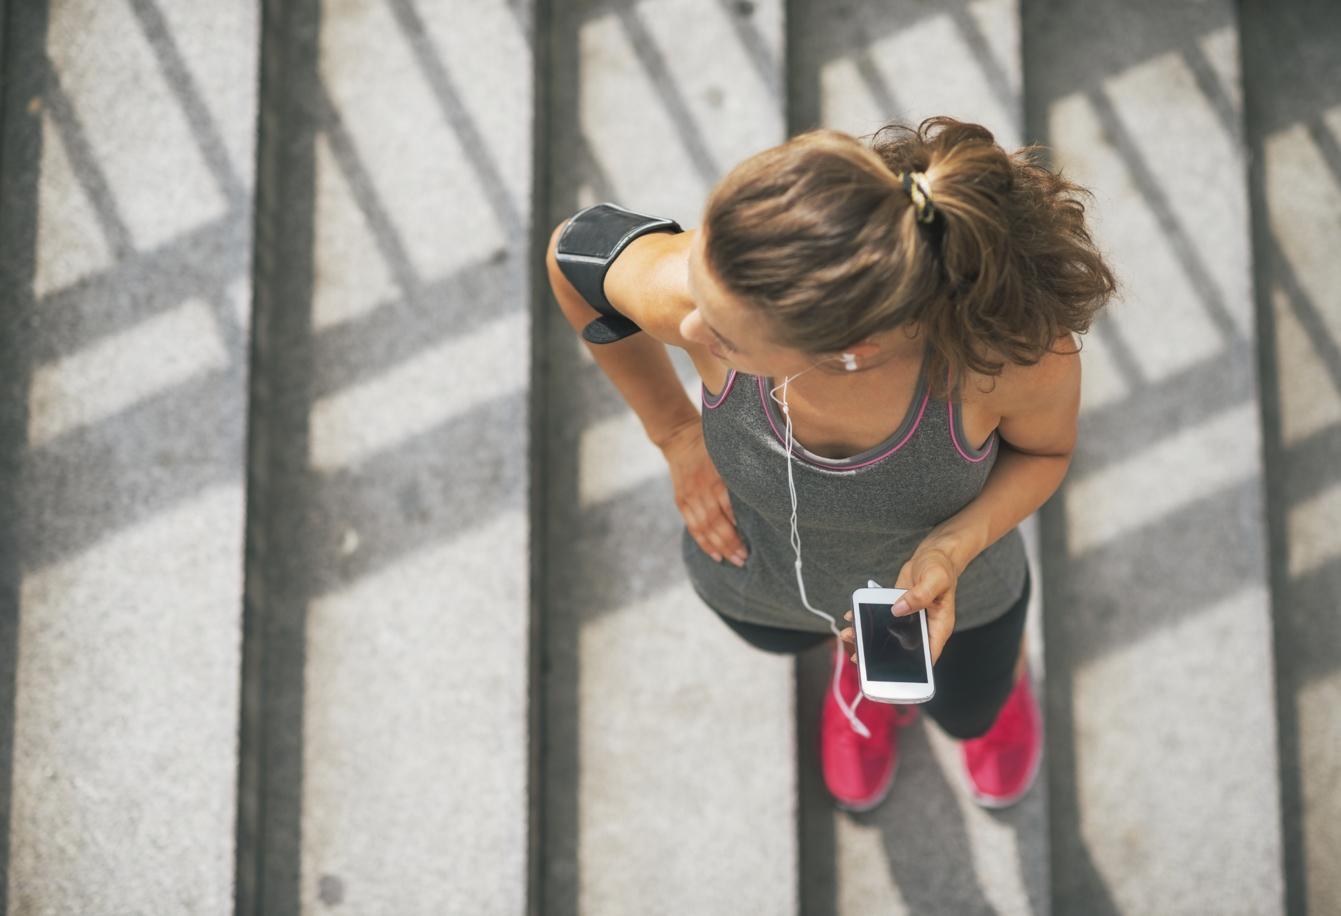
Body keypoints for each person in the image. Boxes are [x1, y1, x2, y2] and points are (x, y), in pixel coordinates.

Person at [547, 118, 1114, 812]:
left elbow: (1045, 452)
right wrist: (673, 433)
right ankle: (856, 668)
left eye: (724, 340)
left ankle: (977, 704)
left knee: (970, 708)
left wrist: (952, 546)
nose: (688, 332)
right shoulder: (707, 295)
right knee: (798, 646)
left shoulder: (1008, 359)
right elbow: (573, 258)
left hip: (961, 600)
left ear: (853, 351)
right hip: (767, 583)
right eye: (702, 299)